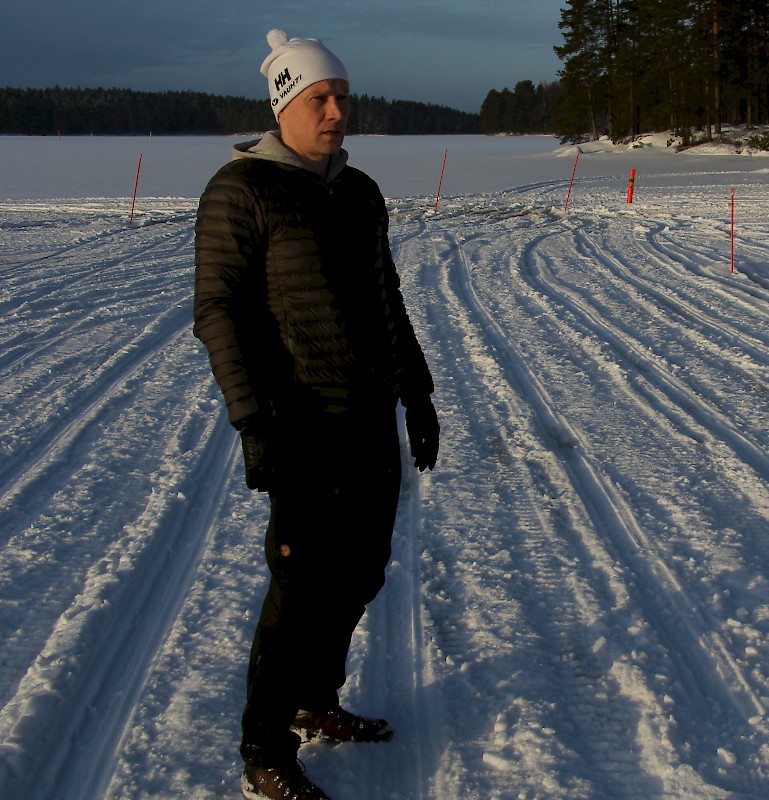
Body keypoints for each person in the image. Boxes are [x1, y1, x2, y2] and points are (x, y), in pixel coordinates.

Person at [193, 29, 440, 800]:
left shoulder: (359, 191)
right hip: (299, 424)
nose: (337, 111)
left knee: (361, 572)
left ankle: (314, 699)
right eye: (319, 98)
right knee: (299, 587)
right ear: (284, 105)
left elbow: (385, 295)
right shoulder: (241, 191)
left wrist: (417, 390)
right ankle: (264, 747)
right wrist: (253, 425)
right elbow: (218, 312)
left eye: (342, 98)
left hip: (368, 419)